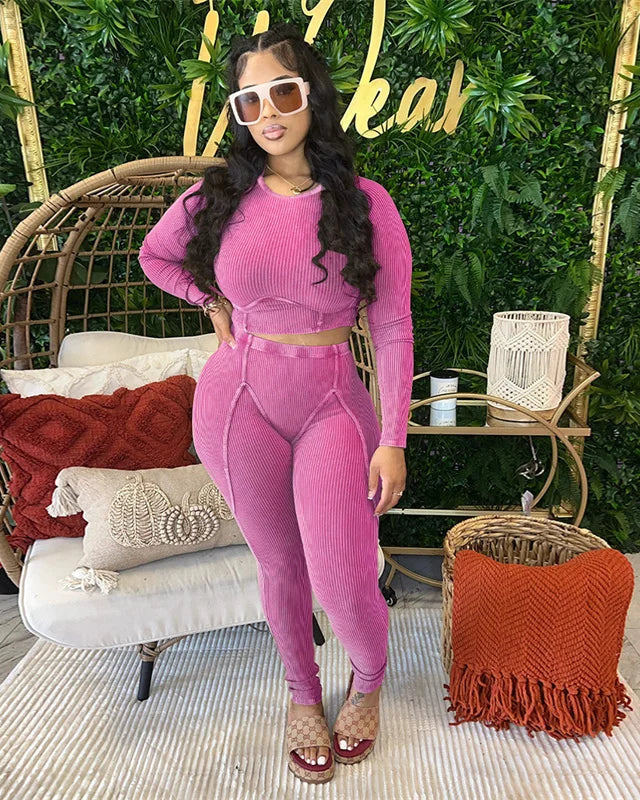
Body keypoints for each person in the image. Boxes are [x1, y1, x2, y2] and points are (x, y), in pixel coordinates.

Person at [138, 21, 414, 784]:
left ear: (313, 97)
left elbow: (390, 323)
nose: (267, 111)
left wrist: (393, 436)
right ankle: (300, 695)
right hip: (237, 399)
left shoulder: (365, 202)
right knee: (280, 564)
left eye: (282, 91)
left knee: (341, 573)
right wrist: (207, 296)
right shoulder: (219, 195)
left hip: (333, 401)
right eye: (248, 98)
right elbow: (155, 257)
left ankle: (368, 676)